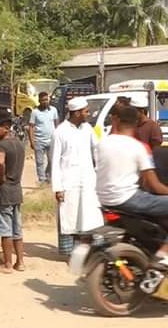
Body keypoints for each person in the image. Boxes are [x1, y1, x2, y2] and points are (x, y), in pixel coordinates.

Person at [96, 103, 168, 266]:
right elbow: (154, 186)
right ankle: (164, 255)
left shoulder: (102, 144)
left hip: (104, 199)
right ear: (137, 123)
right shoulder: (138, 148)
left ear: (116, 121)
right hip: (128, 199)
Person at [51, 97, 104, 256]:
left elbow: (98, 150)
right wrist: (58, 187)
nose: (88, 113)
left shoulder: (88, 129)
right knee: (69, 217)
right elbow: (54, 161)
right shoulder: (60, 131)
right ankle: (70, 252)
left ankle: (89, 251)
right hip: (68, 182)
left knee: (89, 216)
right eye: (86, 111)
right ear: (77, 113)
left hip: (88, 180)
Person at [0, 110, 26, 273]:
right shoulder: (19, 143)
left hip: (4, 191)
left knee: (5, 228)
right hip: (17, 189)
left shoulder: (1, 144)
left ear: (5, 128)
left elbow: (0, 162)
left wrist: (0, 176)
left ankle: (7, 264)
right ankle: (20, 262)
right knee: (17, 228)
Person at [28, 92, 59, 184]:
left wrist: (57, 137)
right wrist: (32, 141)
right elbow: (31, 127)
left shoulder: (53, 110)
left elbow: (57, 124)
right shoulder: (35, 112)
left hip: (51, 140)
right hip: (39, 141)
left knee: (52, 160)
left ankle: (48, 177)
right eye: (43, 100)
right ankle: (42, 180)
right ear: (39, 101)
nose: (45, 101)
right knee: (40, 162)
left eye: (46, 99)